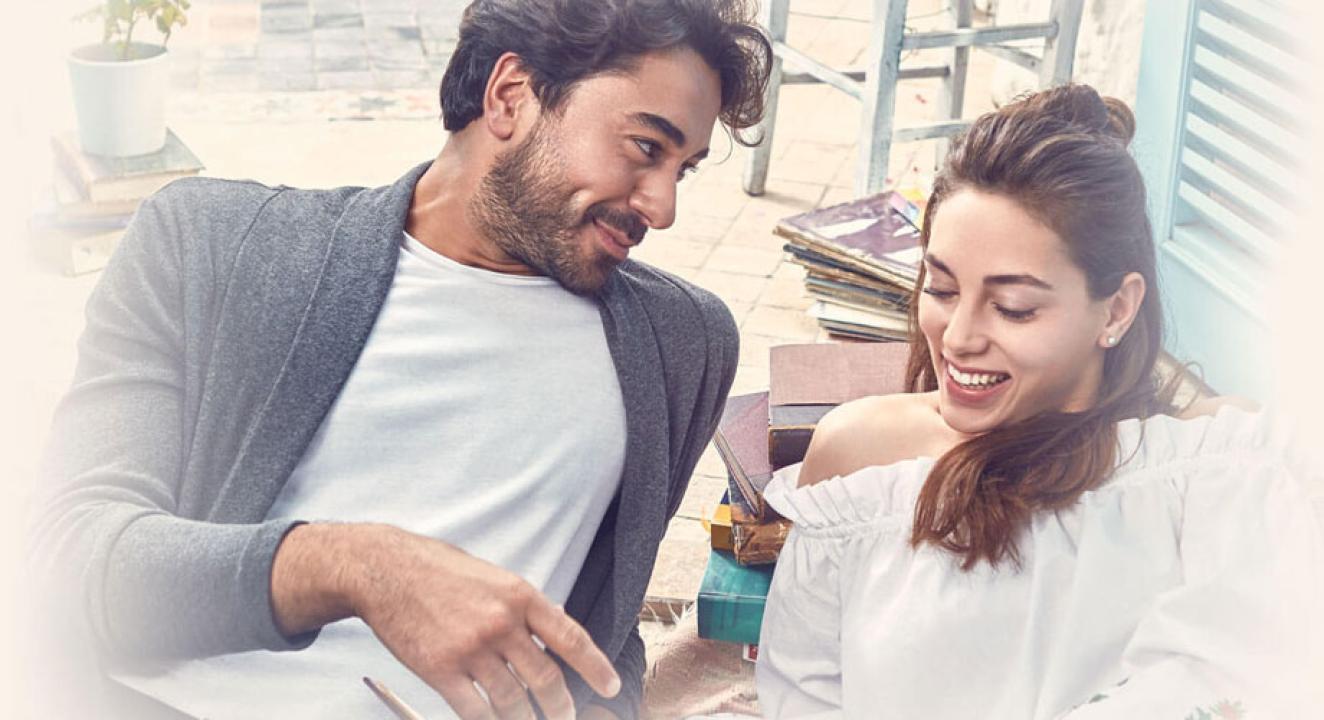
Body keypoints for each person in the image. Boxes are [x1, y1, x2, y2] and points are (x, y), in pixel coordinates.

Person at [26, 2, 771, 719]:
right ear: (511, 96)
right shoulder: (211, 246)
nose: (663, 207)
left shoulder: (680, 343)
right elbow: (64, 556)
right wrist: (356, 567)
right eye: (646, 148)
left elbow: (603, 626)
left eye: (684, 169)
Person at [755, 85, 1324, 718]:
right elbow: (800, 695)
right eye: (941, 288)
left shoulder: (1217, 472)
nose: (959, 338)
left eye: (1013, 307)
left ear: (1117, 309)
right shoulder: (861, 465)